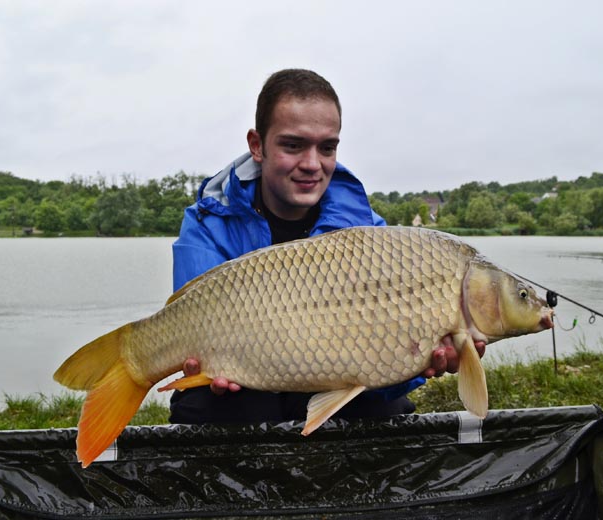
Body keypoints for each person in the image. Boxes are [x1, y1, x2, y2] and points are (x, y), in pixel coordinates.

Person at [169, 68, 484, 425]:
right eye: (293, 145)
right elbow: (190, 328)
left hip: (333, 380)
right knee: (221, 405)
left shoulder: (374, 237)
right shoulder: (208, 223)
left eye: (327, 147)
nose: (312, 164)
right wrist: (207, 368)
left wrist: (419, 362)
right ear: (257, 146)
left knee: (386, 410)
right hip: (242, 387)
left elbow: (382, 366)